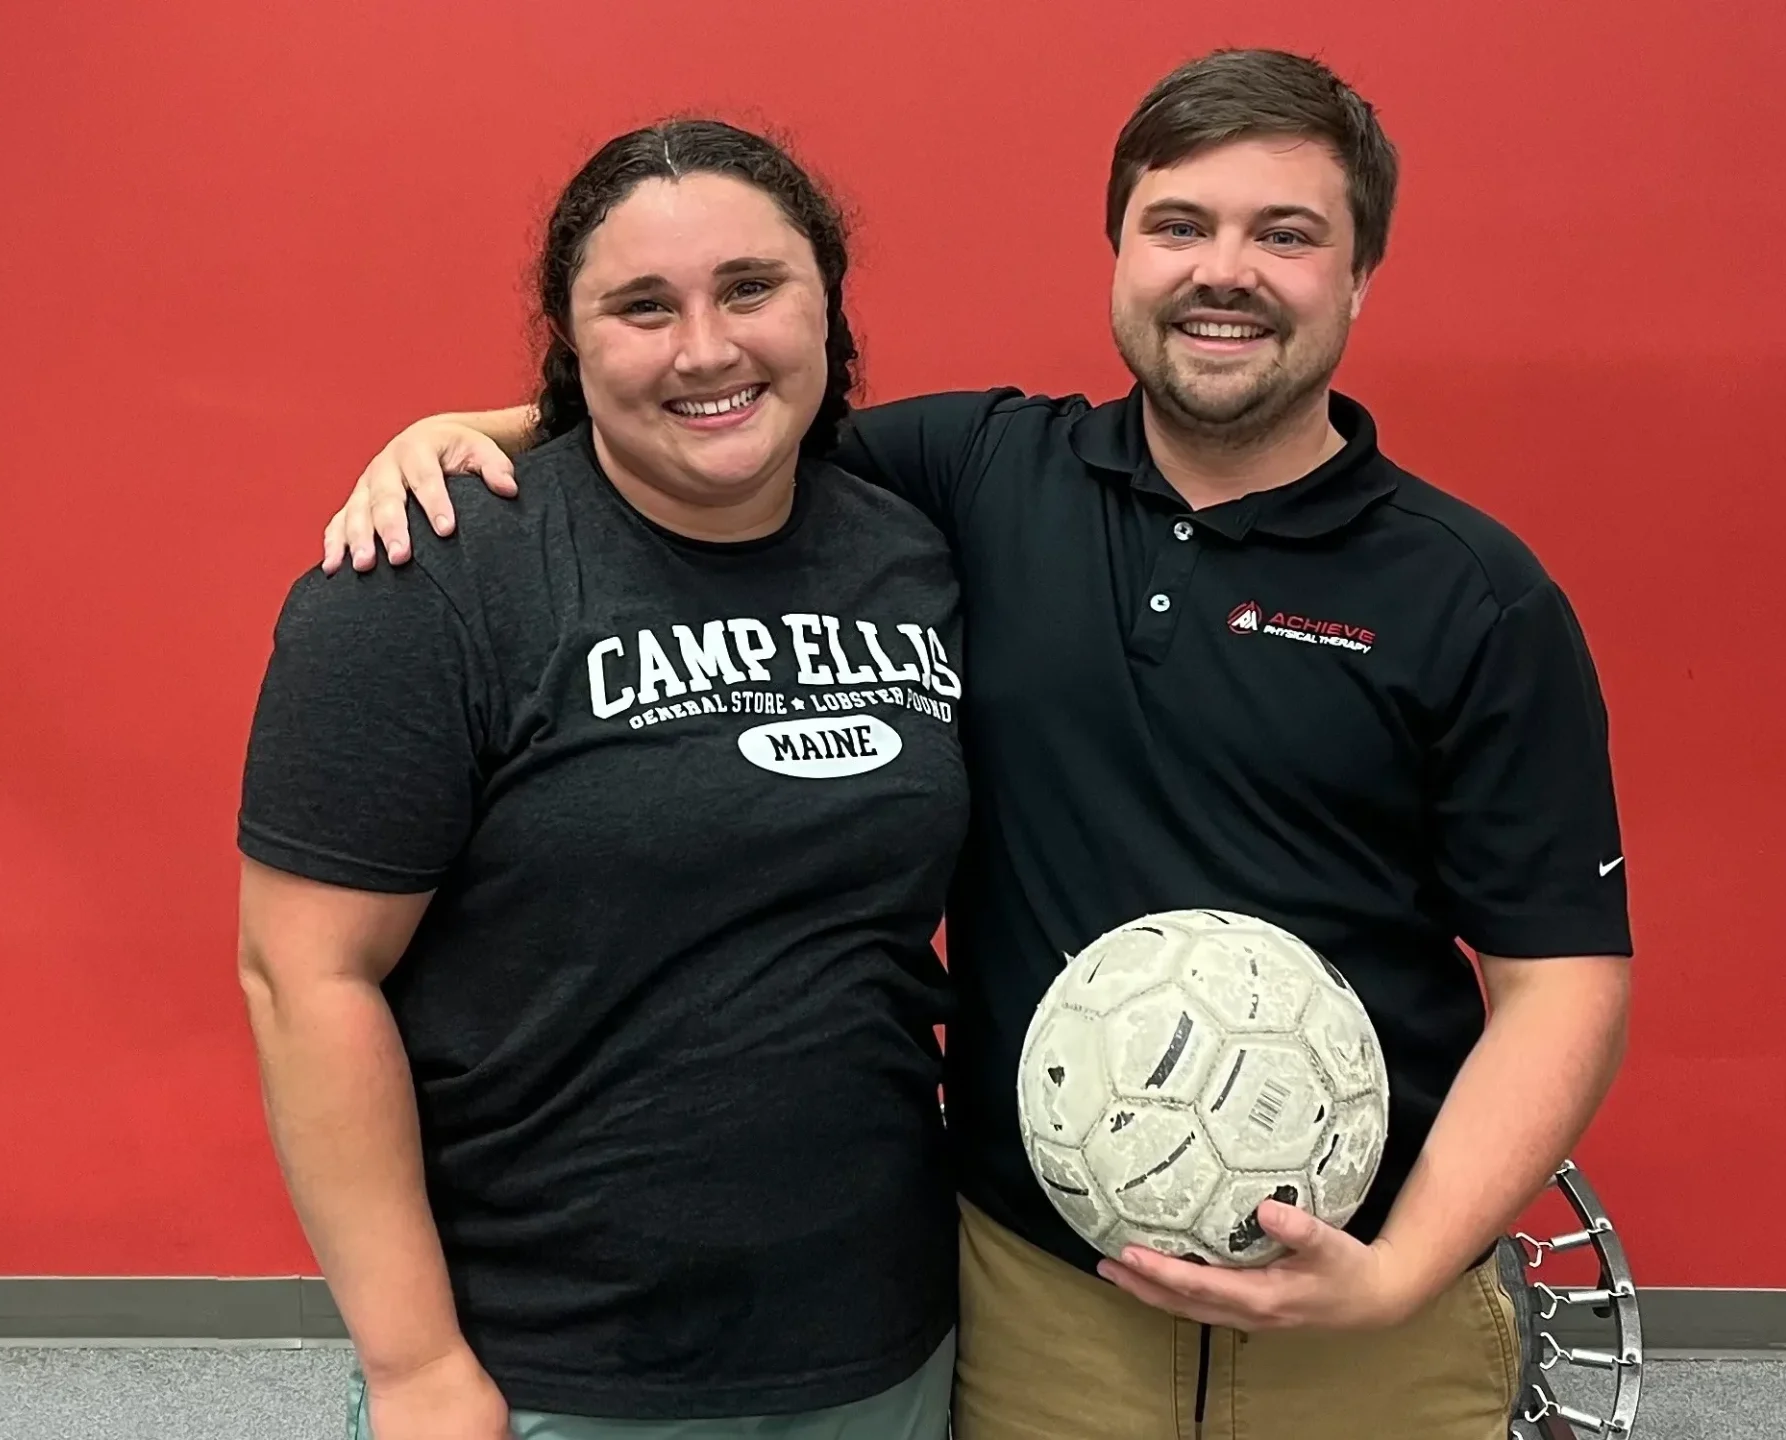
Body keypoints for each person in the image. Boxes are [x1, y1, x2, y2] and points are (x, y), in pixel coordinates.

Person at [315, 48, 1634, 1440]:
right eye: (1178, 225)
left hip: (1366, 1303)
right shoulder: (977, 476)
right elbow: (719, 414)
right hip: (1036, 1298)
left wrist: (1403, 1271)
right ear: (1119, 250)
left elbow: (1563, 982)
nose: (1223, 273)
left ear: (1360, 272)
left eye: (1287, 235)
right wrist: (470, 432)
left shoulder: (1474, 594)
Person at [234, 118, 967, 1440]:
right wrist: (414, 1363)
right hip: (552, 1364)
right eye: (643, 307)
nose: (706, 346)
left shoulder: (914, 549)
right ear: (572, 341)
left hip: (881, 1340)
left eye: (751, 287)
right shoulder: (429, 580)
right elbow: (304, 977)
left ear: (828, 301)